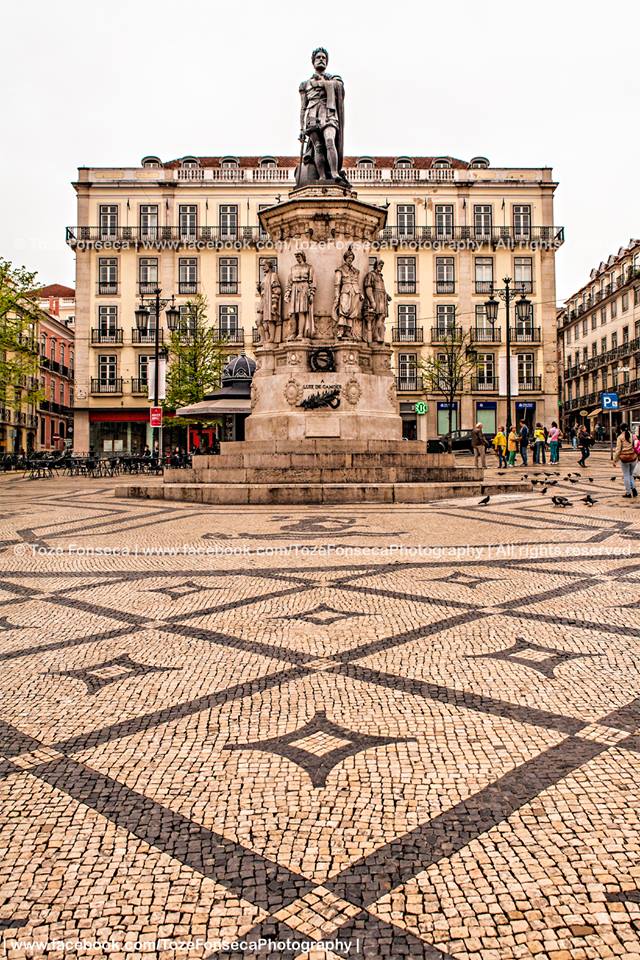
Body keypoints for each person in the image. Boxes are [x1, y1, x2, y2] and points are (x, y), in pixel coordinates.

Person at [613, 422, 638, 498]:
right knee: (631, 475)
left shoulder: (620, 437)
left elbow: (618, 450)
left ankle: (628, 493)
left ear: (621, 429)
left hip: (625, 459)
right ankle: (633, 488)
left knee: (626, 475)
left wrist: (615, 460)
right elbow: (636, 446)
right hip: (633, 458)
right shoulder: (633, 435)